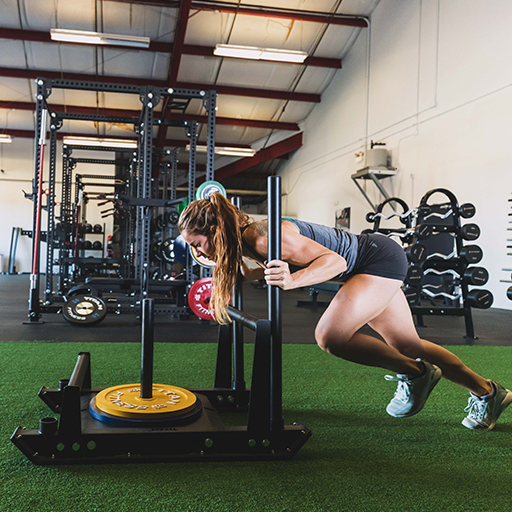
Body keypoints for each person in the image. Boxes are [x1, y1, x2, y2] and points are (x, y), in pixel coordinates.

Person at [178, 192, 512, 430]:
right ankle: (488, 392)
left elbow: (333, 261)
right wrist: (244, 274)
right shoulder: (249, 240)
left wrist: (292, 281)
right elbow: (271, 269)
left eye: (197, 243)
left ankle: (416, 373)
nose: (197, 251)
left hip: (375, 260)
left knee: (329, 336)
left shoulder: (264, 237)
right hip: (369, 263)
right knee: (408, 344)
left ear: (215, 230)